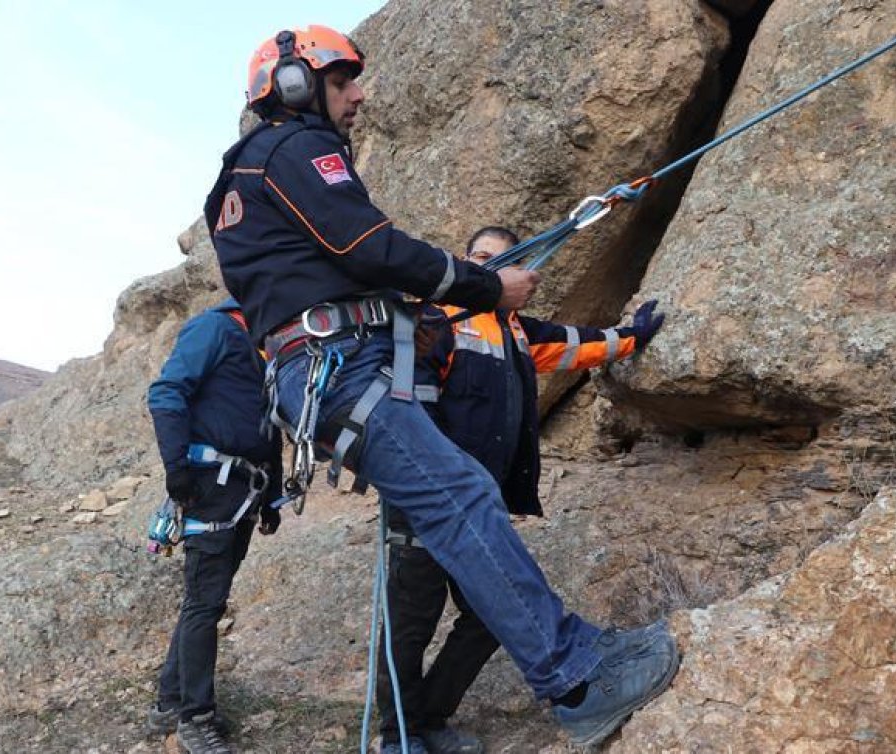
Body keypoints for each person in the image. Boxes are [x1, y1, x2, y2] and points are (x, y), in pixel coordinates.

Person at [204, 25, 680, 750]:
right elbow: (376, 249)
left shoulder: (251, 175)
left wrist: (612, 335)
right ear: (295, 84)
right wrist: (489, 286)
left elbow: (367, 273)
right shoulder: (297, 149)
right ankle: (577, 679)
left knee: (456, 506)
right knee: (460, 501)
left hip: (330, 372)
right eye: (343, 81)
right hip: (340, 369)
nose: (358, 96)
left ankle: (431, 721)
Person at [374, 227, 668, 753]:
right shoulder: (435, 319)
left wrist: (630, 338)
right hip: (423, 497)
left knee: (493, 613)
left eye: (502, 260)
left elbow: (577, 343)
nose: (490, 265)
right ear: (466, 263)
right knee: (410, 620)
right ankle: (398, 737)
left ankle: (428, 719)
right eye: (481, 257)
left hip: (480, 508)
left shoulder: (517, 333)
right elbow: (406, 399)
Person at [144, 298, 283, 754]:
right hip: (212, 484)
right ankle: (195, 718)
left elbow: (268, 423)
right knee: (206, 601)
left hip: (243, 489)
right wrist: (176, 467)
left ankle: (171, 699)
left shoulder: (262, 342)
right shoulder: (215, 328)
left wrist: (273, 496)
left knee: (203, 598)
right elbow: (166, 393)